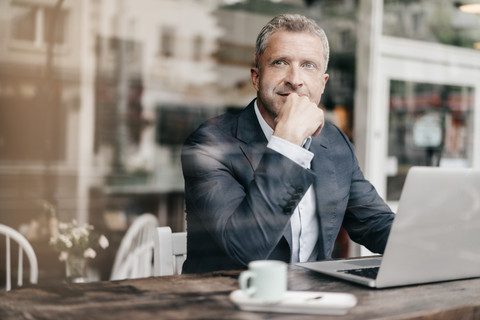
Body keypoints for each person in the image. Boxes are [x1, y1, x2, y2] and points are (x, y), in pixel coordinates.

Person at [181, 14, 394, 274]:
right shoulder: (210, 144)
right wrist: (288, 142)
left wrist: (435, 245)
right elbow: (244, 249)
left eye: (308, 65)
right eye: (280, 62)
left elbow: (374, 222)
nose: (295, 79)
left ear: (322, 84)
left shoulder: (335, 142)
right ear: (256, 77)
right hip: (231, 302)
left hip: (316, 301)